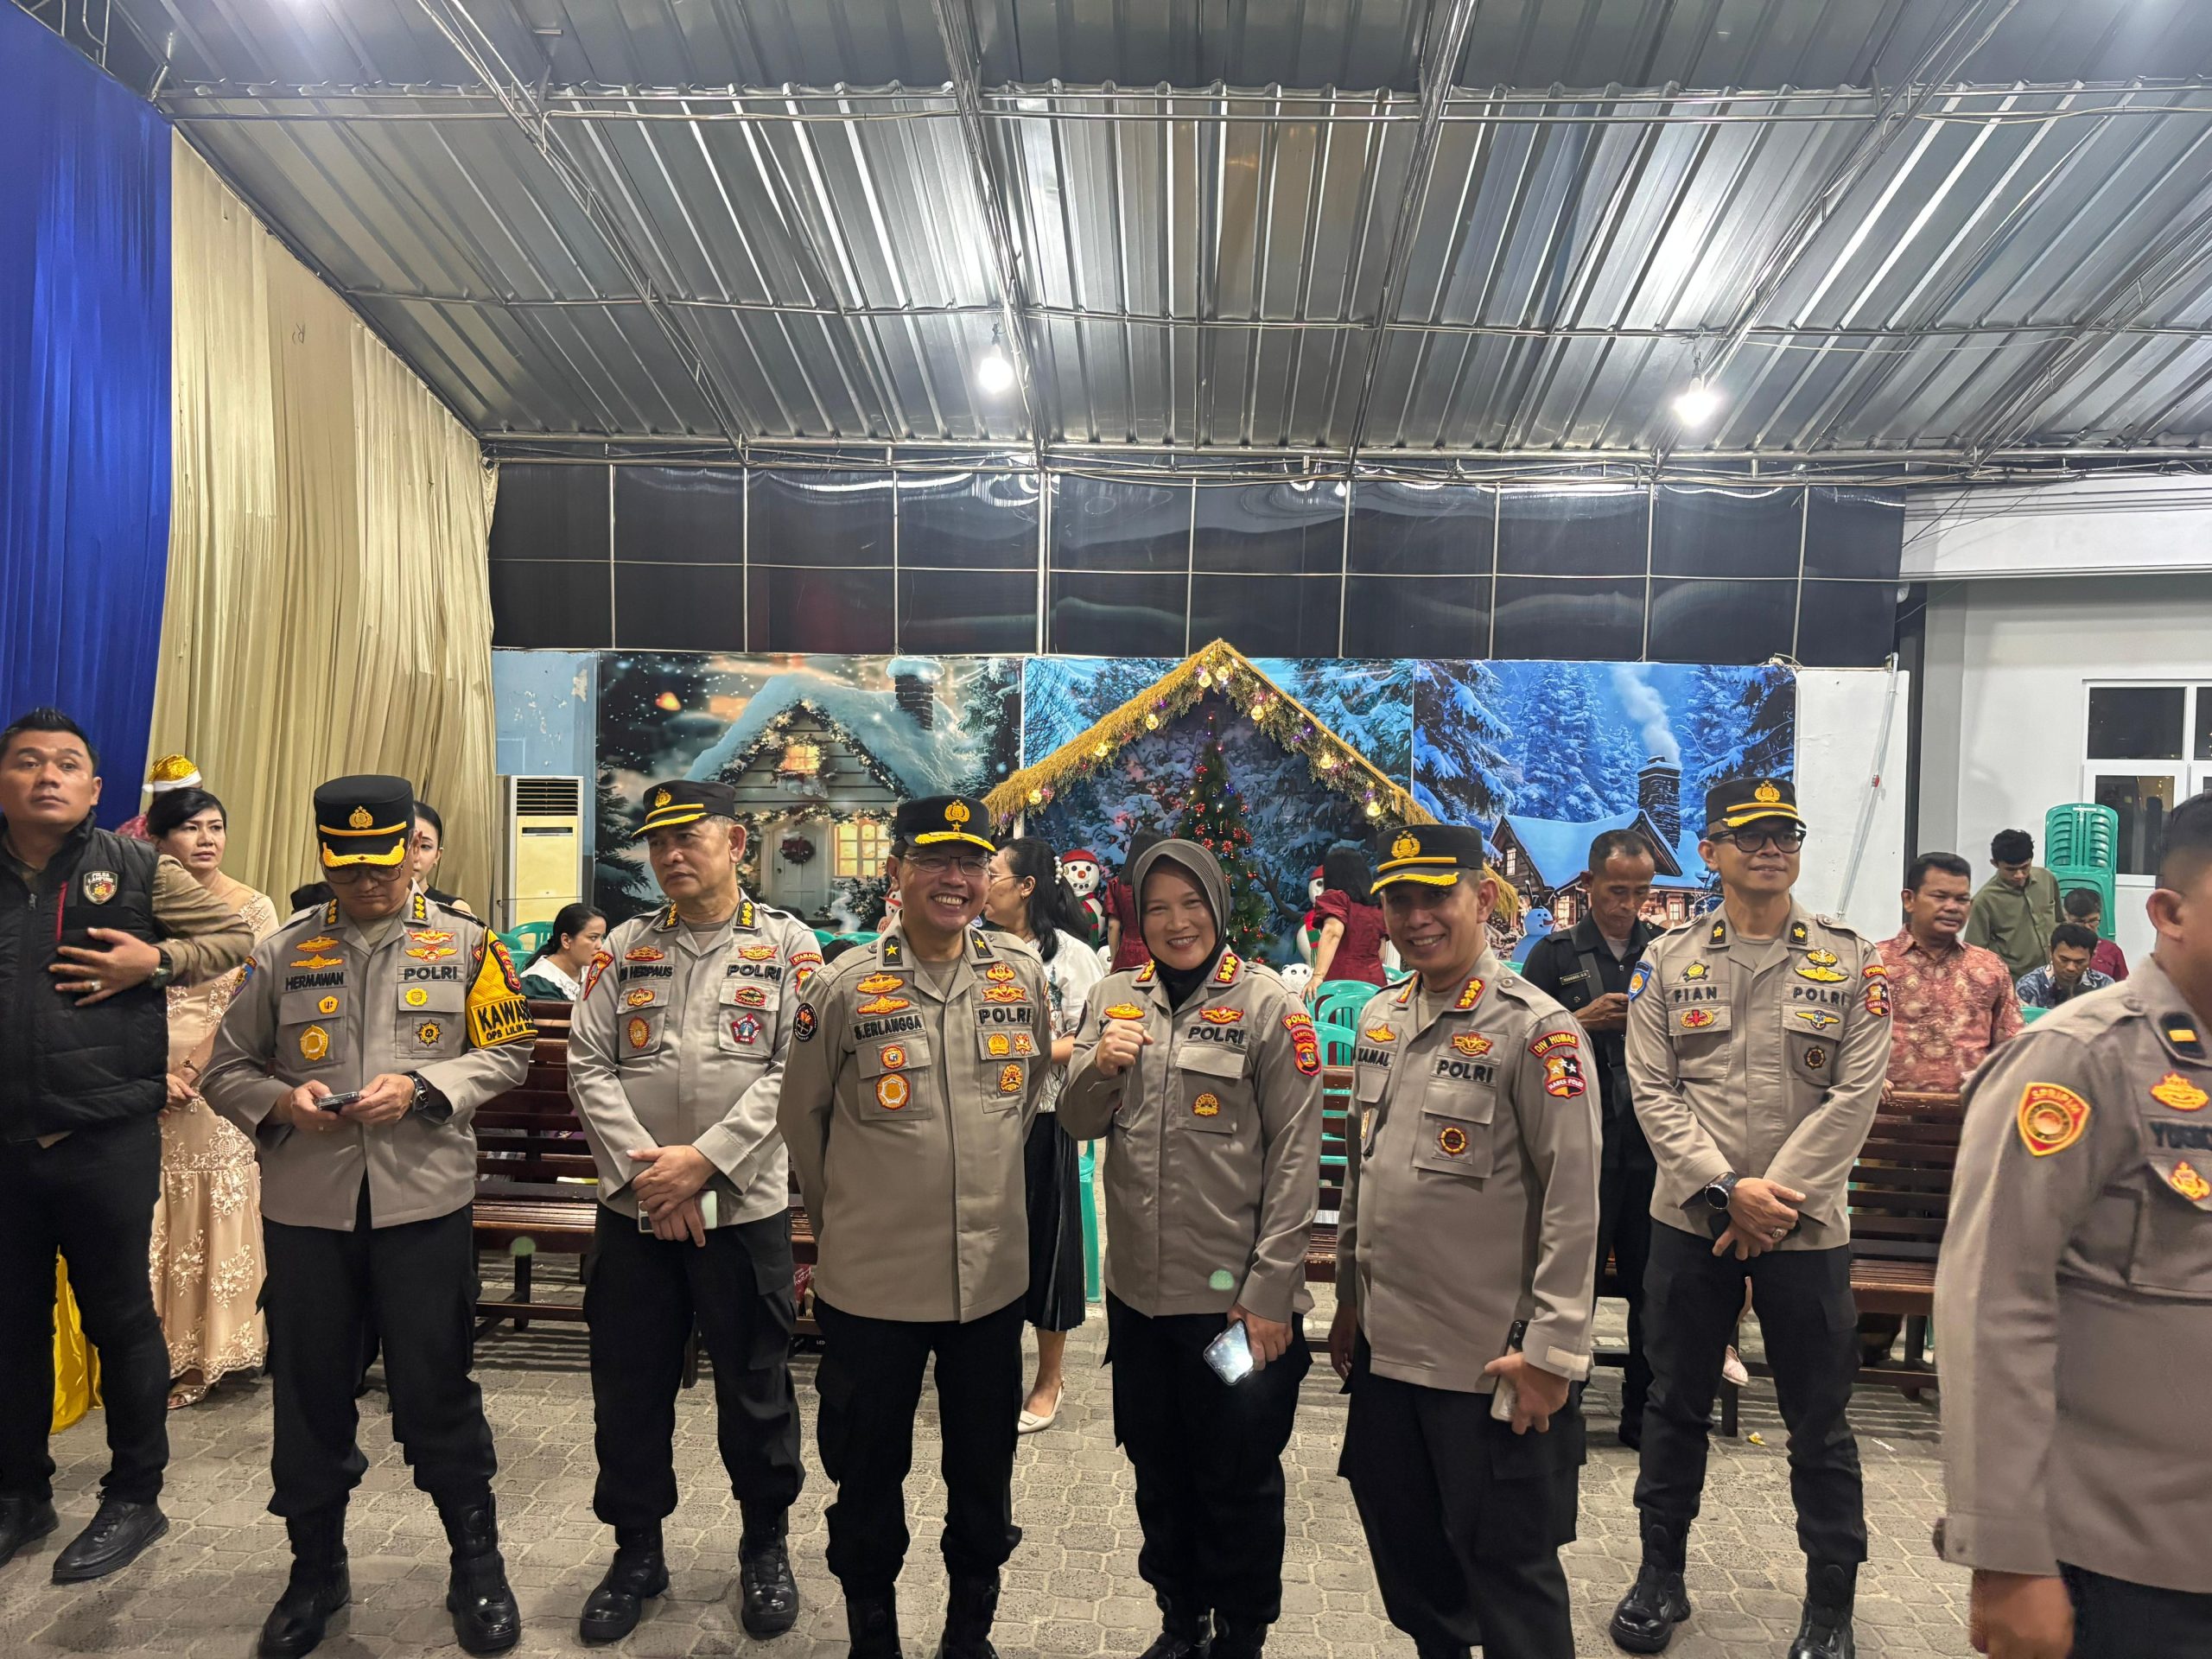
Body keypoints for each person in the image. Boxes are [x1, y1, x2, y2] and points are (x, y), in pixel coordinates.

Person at [202, 776, 536, 1658]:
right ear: (324, 858)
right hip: (309, 1213)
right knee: (310, 1395)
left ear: (412, 852)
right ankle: (315, 1572)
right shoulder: (281, 952)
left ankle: (476, 1564)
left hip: (424, 1206)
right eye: (348, 867)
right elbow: (224, 1068)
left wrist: (426, 1086)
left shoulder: (469, 946)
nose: (368, 881)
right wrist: (282, 1103)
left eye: (384, 864)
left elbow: (509, 1050)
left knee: (436, 1389)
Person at [1609, 776, 1891, 1659]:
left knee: (1820, 1421)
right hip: (1693, 1219)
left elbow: (1856, 1095)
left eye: (1785, 834)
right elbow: (1651, 1089)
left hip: (1806, 1229)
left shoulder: (1851, 960)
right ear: (1710, 850)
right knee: (1673, 1404)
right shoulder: (1666, 961)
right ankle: (1659, 1577)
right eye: (1751, 834)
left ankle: (1830, 1606)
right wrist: (1727, 1190)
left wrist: (1771, 1201)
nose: (1771, 848)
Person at [1935, 789, 2212, 1659]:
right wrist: (2007, 1553)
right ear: (2167, 913)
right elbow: (1992, 1301)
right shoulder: (2078, 1061)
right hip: (2125, 1556)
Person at [777, 797, 1052, 1659]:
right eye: (934, 860)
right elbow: (802, 1123)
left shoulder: (1020, 976)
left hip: (990, 1285)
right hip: (874, 1286)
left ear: (989, 880)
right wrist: (849, 1225)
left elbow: (1027, 1101)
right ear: (896, 871)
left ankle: (969, 1636)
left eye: (971, 863)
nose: (954, 879)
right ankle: (874, 1638)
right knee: (865, 1478)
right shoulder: (842, 986)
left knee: (983, 1479)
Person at [1324, 823, 1599, 1659]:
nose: (1416, 918)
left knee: (1512, 1587)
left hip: (1487, 1368)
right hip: (1387, 1357)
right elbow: (1364, 1175)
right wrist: (1348, 1305)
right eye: (1398, 900)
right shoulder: (1381, 1017)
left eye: (1436, 897)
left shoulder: (1538, 1031)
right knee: (1416, 1578)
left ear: (1482, 899)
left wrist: (1552, 1356)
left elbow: (1573, 1204)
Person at [0, 709, 255, 1584]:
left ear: (95, 789)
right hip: (5, 1137)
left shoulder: (138, 865)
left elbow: (234, 937)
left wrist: (155, 964)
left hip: (103, 1132)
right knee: (11, 1325)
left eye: (67, 764)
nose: (47, 776)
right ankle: (20, 1494)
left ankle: (135, 1495)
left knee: (120, 1318)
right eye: (28, 762)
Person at [565, 781, 817, 1643]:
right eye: (657, 842)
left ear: (736, 843)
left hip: (740, 1208)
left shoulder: (787, 945)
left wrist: (702, 1164)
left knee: (756, 1387)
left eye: (689, 838)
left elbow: (794, 1069)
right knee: (628, 1390)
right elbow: (588, 1062)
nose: (671, 855)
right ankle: (636, 1552)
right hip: (635, 1208)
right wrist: (654, 1178)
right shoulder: (624, 946)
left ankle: (764, 1545)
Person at [1059, 840, 1322, 1659]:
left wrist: (1270, 1295)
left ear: (1219, 907)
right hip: (1142, 1303)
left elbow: (1296, 1163)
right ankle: (1181, 1621)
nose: (1177, 923)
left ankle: (1242, 1635)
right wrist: (1100, 1069)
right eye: (1158, 907)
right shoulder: (1113, 998)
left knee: (1237, 1476)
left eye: (1192, 904)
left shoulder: (1270, 1008)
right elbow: (1076, 1121)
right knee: (1158, 1468)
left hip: (1236, 1312)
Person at [1519, 827, 1662, 1448]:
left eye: (1640, 892)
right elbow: (1519, 1041)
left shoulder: (1666, 953)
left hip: (1651, 1148)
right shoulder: (1554, 955)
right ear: (1589, 884)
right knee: (1569, 1284)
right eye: (1616, 891)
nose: (1628, 905)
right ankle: (1561, 1413)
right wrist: (1580, 1021)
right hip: (1580, 1147)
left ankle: (1646, 1418)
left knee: (1653, 1289)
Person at [148, 785, 282, 1408]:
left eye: (216, 827)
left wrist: (193, 1069)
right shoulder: (136, 904)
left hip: (218, 1078)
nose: (206, 839)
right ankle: (148, 1354)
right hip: (139, 1076)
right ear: (159, 840)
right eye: (190, 828)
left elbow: (251, 1002)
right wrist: (149, 1072)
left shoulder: (253, 908)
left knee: (215, 1203)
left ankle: (207, 1354)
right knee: (150, 1208)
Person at [981, 837, 1103, 1435]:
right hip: (983, 1118)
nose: (983, 884)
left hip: (1047, 1115)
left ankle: (1049, 1377)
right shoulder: (973, 947)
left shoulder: (1072, 958)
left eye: (993, 874)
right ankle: (990, 1370)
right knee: (989, 1246)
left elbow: (1092, 1037)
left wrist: (1027, 1053)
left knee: (1049, 1247)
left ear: (1026, 887)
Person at [1878, 852, 2023, 1095]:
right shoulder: (1874, 963)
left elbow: (2013, 1046)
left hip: (1970, 1113)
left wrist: (1991, 1076)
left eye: (1962, 899)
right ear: (1909, 900)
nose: (1952, 907)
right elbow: (1848, 1041)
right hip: (1886, 1113)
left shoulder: (1989, 967)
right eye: (1940, 897)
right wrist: (1866, 1078)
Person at [1963, 830, 2062, 983]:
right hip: (2015, 983)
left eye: (2025, 867)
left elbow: (2061, 922)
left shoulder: (2046, 878)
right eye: (2011, 869)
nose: (2019, 875)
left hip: (2056, 976)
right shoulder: (1984, 901)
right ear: (1995, 864)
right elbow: (1975, 954)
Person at [1307, 842, 1390, 992]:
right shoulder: (1376, 906)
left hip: (1343, 982)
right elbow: (1382, 952)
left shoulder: (1337, 899)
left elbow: (1333, 932)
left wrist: (1317, 976)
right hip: (1374, 983)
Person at [517, 902, 607, 1001]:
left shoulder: (592, 972)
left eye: (602, 938)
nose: (600, 945)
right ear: (566, 941)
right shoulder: (539, 984)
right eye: (593, 937)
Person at [2016, 924, 2115, 1010]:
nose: (2071, 968)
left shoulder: (2105, 986)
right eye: (2064, 960)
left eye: (2079, 962)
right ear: (2051, 952)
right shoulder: (2029, 987)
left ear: (2092, 957)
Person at [1104, 830, 1164, 974]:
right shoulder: (1161, 883)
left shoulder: (1116, 884)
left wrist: (1114, 959)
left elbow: (1113, 926)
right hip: (1157, 951)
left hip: (1127, 953)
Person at [118, 751, 204, 842]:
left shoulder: (204, 823)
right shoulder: (134, 834)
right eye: (193, 793)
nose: (202, 798)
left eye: (200, 791)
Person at [2063, 886, 2130, 982]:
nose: (2087, 927)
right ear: (2066, 918)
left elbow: (2124, 987)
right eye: (2079, 922)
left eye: (2093, 921)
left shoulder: (2112, 951)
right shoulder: (2056, 949)